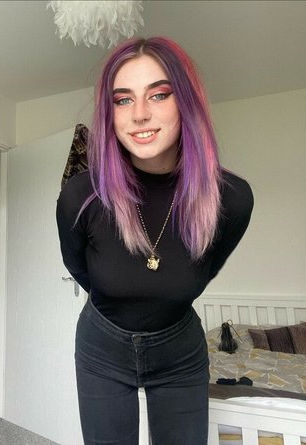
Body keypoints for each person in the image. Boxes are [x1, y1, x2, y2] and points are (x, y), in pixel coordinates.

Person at [56, 36, 253, 445]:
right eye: (123, 100)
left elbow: (203, 270)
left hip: (179, 352)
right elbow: (79, 269)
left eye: (159, 94)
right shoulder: (80, 196)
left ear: (186, 103)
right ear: (110, 114)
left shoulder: (231, 199)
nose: (140, 114)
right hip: (101, 347)